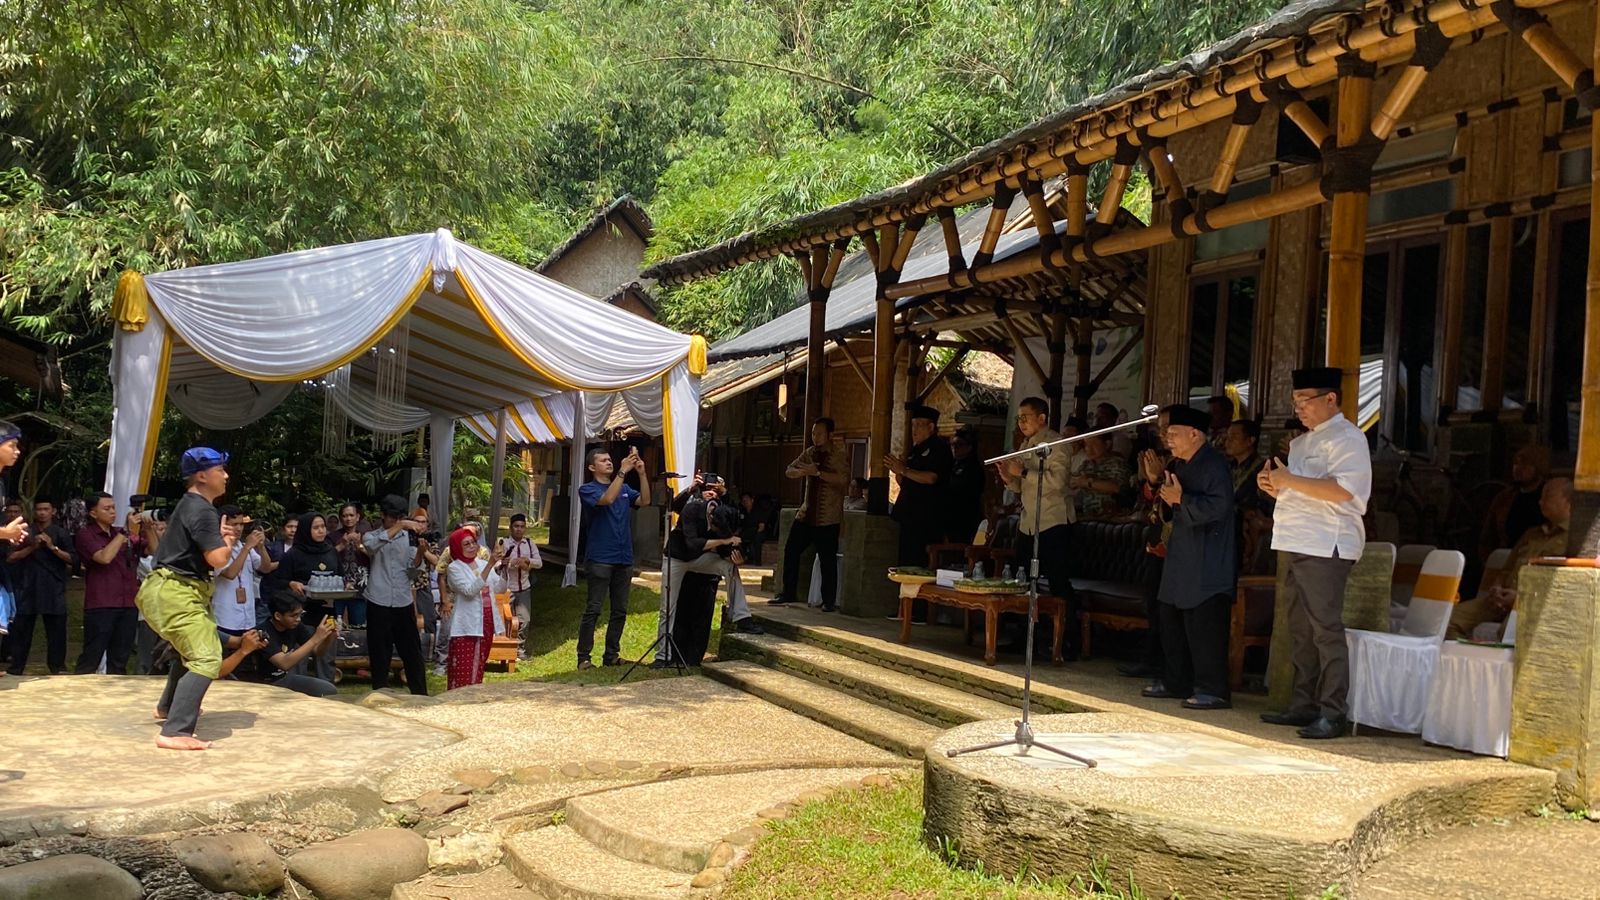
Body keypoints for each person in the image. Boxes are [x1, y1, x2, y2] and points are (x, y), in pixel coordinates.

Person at [1258, 367, 1373, 740]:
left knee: (1325, 629)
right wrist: (1275, 486)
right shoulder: (1301, 444)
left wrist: (1290, 480)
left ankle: (1333, 711)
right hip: (1295, 539)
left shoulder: (1349, 438)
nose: (1299, 408)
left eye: (1305, 400)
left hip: (1326, 543)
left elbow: (1345, 492)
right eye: (1295, 402)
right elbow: (1301, 490)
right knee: (1300, 630)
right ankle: (1303, 703)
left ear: (1330, 399)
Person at [135, 446, 239, 750]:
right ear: (202, 476)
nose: (225, 475)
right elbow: (217, 559)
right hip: (176, 593)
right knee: (207, 657)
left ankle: (168, 707)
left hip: (169, 590)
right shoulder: (202, 510)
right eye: (220, 470)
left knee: (194, 648)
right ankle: (175, 731)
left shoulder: (191, 505)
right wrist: (228, 541)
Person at [1143, 405, 1237, 710]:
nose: (1167, 438)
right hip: (1180, 555)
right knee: (1171, 618)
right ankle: (1176, 681)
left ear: (1195, 434)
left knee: (1204, 626)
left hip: (1207, 558)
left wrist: (1181, 498)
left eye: (1174, 433)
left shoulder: (1214, 465)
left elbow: (1219, 508)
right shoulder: (1179, 465)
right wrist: (1158, 485)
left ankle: (1213, 689)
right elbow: (1168, 508)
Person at [998, 397, 1078, 653]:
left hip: (1053, 522)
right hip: (1028, 523)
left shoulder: (1057, 444)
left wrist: (1022, 472)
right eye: (1018, 418)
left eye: (1026, 417)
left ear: (1042, 418)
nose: (1021, 423)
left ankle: (1067, 641)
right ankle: (1024, 638)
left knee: (1058, 582)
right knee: (1023, 581)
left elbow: (1057, 483)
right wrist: (1009, 478)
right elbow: (1022, 487)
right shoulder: (1025, 445)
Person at [1449, 477, 1572, 640]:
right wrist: (1496, 588)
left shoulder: (1576, 540)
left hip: (1532, 604)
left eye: (1548, 496)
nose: (1540, 502)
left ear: (1569, 502)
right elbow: (1506, 569)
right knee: (1446, 620)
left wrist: (1520, 598)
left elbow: (1566, 588)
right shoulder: (1531, 534)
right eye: (1541, 496)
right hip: (1499, 601)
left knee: (1509, 633)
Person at [658, 474, 760, 664]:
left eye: (715, 490)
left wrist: (738, 558)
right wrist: (723, 540)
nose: (710, 493)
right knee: (668, 607)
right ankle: (662, 655)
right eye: (707, 489)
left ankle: (742, 617)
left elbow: (736, 538)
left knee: (730, 568)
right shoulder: (692, 508)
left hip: (700, 559)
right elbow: (693, 543)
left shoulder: (723, 512)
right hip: (678, 557)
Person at [577, 446, 650, 668]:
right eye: (603, 460)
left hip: (624, 557)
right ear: (592, 467)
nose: (609, 462)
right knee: (594, 608)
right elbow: (607, 499)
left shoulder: (625, 488)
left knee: (620, 610)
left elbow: (645, 501)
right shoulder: (587, 489)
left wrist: (641, 474)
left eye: (610, 459)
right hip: (600, 557)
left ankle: (611, 655)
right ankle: (584, 657)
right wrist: (622, 471)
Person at [886, 405, 953, 622]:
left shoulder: (939, 448)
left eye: (919, 425)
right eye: (913, 425)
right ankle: (904, 609)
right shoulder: (915, 449)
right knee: (905, 563)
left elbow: (931, 478)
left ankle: (921, 611)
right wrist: (899, 471)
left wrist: (904, 470)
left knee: (921, 564)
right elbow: (906, 480)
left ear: (931, 427)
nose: (914, 430)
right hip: (909, 515)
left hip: (927, 517)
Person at [773, 418, 847, 610]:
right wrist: (801, 473)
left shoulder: (839, 455)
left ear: (830, 435)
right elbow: (789, 470)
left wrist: (818, 473)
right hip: (806, 514)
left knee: (827, 560)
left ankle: (828, 601)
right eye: (813, 433)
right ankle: (788, 593)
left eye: (820, 433)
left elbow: (842, 480)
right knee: (791, 550)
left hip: (828, 517)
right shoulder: (809, 453)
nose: (816, 437)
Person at [363, 494, 431, 694]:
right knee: (379, 652)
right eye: (393, 517)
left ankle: (421, 695)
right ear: (383, 515)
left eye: (400, 517)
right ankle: (380, 694)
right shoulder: (371, 535)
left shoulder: (408, 538)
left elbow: (412, 570)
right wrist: (400, 526)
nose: (397, 521)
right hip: (378, 600)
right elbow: (370, 548)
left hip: (403, 600)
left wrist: (420, 553)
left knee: (412, 651)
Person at [73, 493, 145, 675]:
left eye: (113, 507)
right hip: (102, 603)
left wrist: (149, 525)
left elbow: (153, 549)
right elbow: (104, 558)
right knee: (92, 655)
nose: (113, 512)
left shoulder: (119, 532)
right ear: (93, 513)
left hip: (128, 602)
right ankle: (79, 688)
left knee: (120, 658)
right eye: (107, 508)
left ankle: (115, 690)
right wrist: (124, 532)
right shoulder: (86, 534)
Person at [7, 498, 75, 675]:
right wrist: (33, 547)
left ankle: (57, 667)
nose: (42, 513)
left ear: (53, 511)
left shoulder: (61, 533)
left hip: (53, 588)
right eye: (39, 509)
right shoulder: (26, 532)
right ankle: (16, 667)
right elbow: (10, 557)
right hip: (27, 586)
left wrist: (52, 547)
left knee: (56, 632)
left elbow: (73, 560)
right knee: (22, 631)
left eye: (46, 509)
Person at [280, 512, 341, 682]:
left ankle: (326, 691)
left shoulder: (331, 551)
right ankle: (298, 690)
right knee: (300, 657)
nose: (321, 531)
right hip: (301, 615)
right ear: (306, 530)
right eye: (316, 528)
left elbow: (341, 576)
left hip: (327, 613)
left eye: (323, 527)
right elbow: (278, 582)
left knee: (326, 657)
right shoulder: (294, 554)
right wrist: (291, 583)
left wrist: (346, 586)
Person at [444, 526, 505, 689]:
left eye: (473, 542)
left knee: (479, 664)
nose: (472, 546)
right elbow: (470, 591)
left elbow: (499, 588)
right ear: (457, 547)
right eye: (466, 544)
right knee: (463, 667)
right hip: (467, 624)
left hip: (486, 620)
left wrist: (506, 570)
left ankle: (474, 696)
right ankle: (458, 698)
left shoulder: (482, 563)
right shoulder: (454, 568)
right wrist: (490, 565)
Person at [248, 591, 339, 697]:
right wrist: (316, 638)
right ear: (278, 616)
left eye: (300, 614)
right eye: (293, 615)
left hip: (283, 678)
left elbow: (318, 652)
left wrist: (329, 637)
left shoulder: (295, 626)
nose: (298, 619)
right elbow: (284, 663)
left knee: (328, 689)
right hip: (263, 683)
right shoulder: (262, 633)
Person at [1478, 444, 1552, 564]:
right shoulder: (1505, 497)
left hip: (1537, 558)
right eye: (1516, 464)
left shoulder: (1549, 495)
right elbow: (1488, 535)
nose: (1518, 468)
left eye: (1525, 464)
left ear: (1538, 468)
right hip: (1506, 558)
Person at [210, 506, 272, 647]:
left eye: (241, 524)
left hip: (247, 615)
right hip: (225, 615)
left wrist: (261, 547)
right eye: (234, 524)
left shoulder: (243, 546)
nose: (238, 528)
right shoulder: (216, 549)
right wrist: (247, 547)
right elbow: (230, 574)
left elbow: (265, 568)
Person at [1223, 420, 1273, 575]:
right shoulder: (1227, 466)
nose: (1228, 441)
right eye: (1228, 437)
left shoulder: (1263, 468)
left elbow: (1265, 504)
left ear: (1251, 440)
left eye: (1234, 437)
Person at [496, 512, 542, 660]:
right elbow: (494, 563)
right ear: (510, 527)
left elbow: (539, 563)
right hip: (507, 588)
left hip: (524, 587)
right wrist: (505, 563)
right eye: (516, 526)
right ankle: (504, 649)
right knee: (505, 619)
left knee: (524, 620)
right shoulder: (503, 543)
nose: (519, 529)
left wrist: (526, 561)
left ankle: (519, 649)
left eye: (522, 526)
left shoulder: (529, 543)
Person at [1072, 434, 1132, 520]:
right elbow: (1074, 480)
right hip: (1089, 517)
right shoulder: (1086, 464)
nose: (1089, 449)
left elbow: (1116, 487)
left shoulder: (1117, 463)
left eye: (1094, 444)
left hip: (1114, 519)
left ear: (1107, 444)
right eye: (1086, 445)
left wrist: (1088, 483)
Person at [946, 427, 987, 544]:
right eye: (953, 444)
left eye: (959, 445)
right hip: (951, 514)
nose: (954, 448)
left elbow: (969, 492)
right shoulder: (953, 464)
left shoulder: (974, 468)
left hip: (966, 516)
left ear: (969, 447)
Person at [333, 503, 370, 626]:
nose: (348, 518)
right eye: (344, 516)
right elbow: (326, 557)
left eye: (351, 515)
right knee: (335, 624)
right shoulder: (333, 536)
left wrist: (360, 545)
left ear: (358, 517)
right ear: (340, 518)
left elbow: (375, 557)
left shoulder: (367, 536)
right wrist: (341, 545)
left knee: (358, 626)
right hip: (337, 587)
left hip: (359, 588)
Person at [257, 514, 298, 620]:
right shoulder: (272, 547)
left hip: (293, 596)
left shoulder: (303, 549)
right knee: (262, 623)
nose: (293, 530)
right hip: (270, 594)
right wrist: (284, 562)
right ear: (282, 529)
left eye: (296, 527)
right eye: (289, 527)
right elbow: (263, 569)